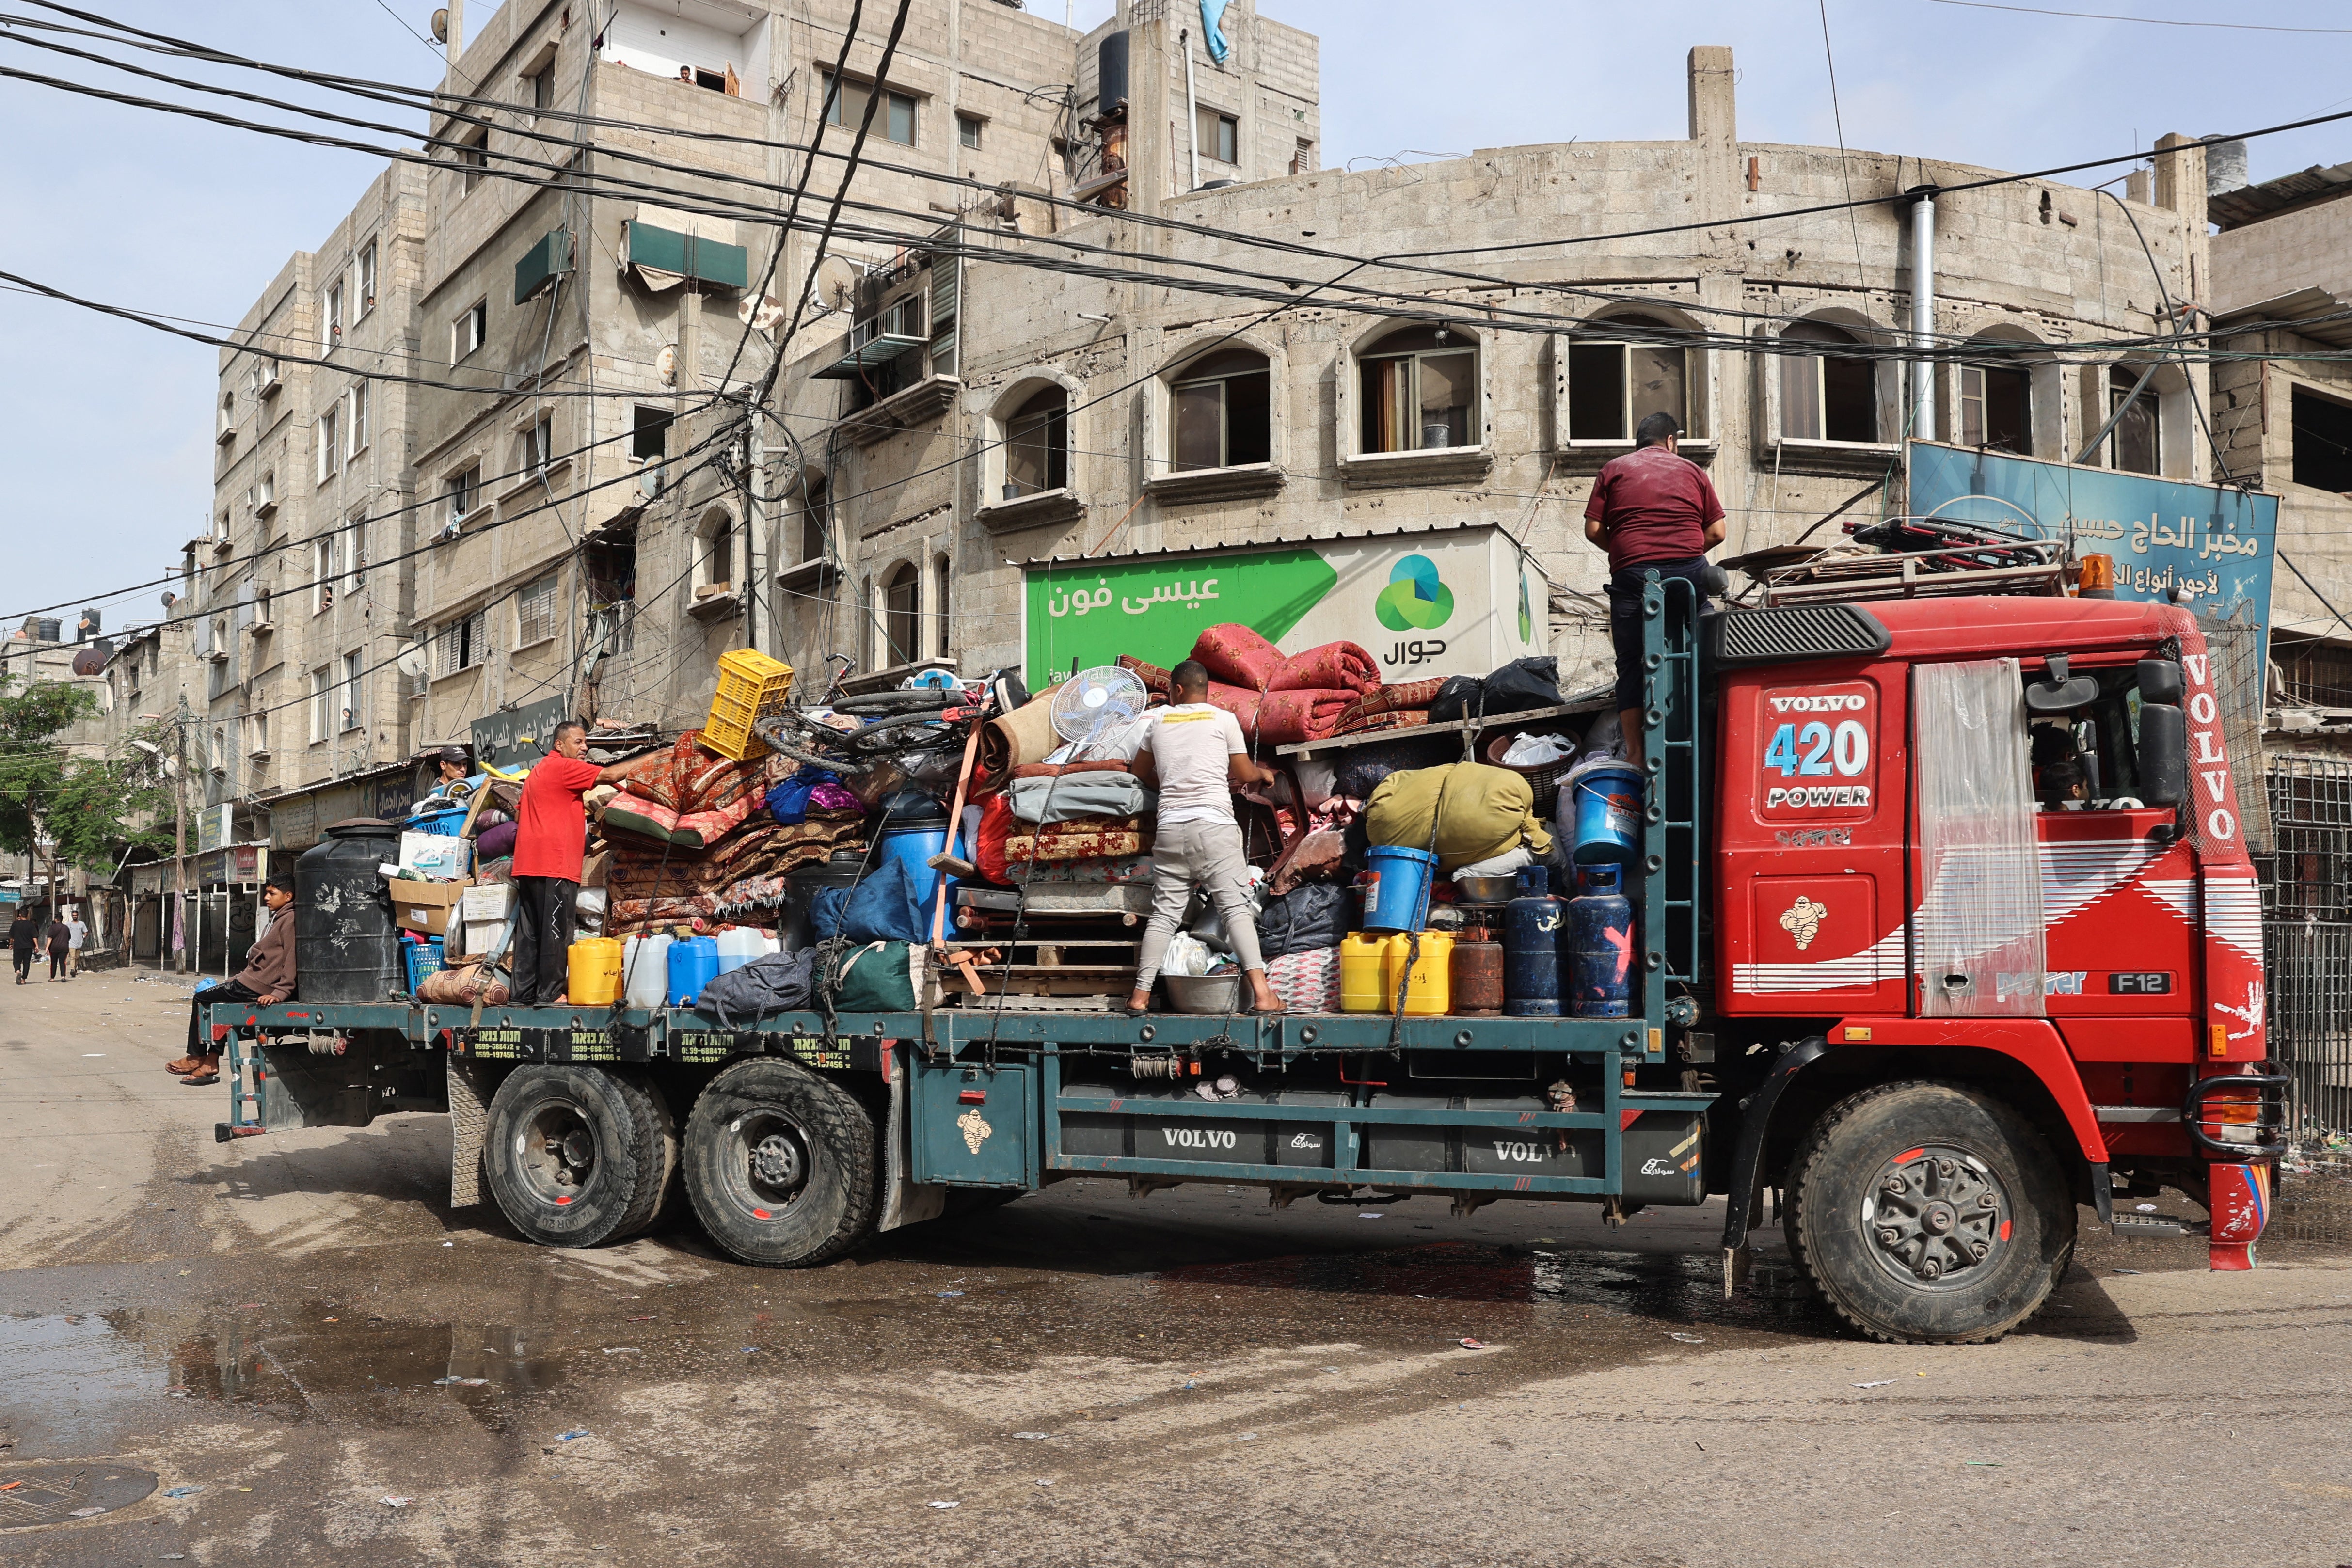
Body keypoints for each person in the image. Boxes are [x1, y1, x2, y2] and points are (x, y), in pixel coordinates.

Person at [1126, 661, 1286, 1018]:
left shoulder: (1158, 721)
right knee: (1235, 910)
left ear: (1177, 690)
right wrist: (1265, 774)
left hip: (1170, 830)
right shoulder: (1222, 719)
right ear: (1203, 690)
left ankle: (1139, 996)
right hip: (1214, 828)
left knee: (1165, 915)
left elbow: (1139, 773)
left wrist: (1169, 785)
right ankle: (1263, 995)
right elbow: (1243, 773)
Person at [1583, 410, 1727, 769]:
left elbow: (1593, 529)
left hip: (1633, 575)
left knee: (1630, 663)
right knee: (1709, 645)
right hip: (1687, 572)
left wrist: (1626, 551)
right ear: (1671, 442)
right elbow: (1718, 533)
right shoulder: (1695, 472)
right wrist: (1682, 556)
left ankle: (1635, 753)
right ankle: (1719, 729)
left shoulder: (1613, 469)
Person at [510, 720, 630, 1006]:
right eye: (578, 742)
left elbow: (518, 817)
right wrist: (658, 757)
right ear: (559, 745)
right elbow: (610, 773)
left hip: (529, 864)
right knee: (556, 931)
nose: (585, 747)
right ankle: (550, 994)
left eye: (585, 742)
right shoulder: (563, 768)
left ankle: (521, 995)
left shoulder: (539, 771)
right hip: (555, 864)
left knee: (530, 934)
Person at [164, 869, 298, 1085]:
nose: (266, 898)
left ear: (288, 896)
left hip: (261, 986)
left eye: (272, 893)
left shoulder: (290, 919)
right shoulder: (279, 917)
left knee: (201, 999)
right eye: (267, 893)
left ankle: (196, 1056)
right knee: (222, 1010)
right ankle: (211, 1061)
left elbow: (292, 956)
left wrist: (281, 992)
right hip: (252, 981)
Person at [7, 909, 32, 985]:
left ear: (20, 915)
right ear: (28, 915)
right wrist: (37, 946)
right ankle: (24, 979)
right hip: (28, 947)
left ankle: (18, 971)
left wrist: (11, 944)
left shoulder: (15, 924)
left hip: (18, 946)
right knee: (26, 963)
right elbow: (35, 936)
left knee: (16, 961)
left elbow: (11, 936)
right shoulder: (31, 924)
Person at [43, 912, 69, 982]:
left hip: (54, 948)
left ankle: (52, 978)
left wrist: (47, 947)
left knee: (54, 963)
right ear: (62, 919)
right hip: (64, 948)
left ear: (56, 919)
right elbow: (69, 938)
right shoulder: (66, 928)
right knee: (63, 962)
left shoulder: (52, 927)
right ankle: (63, 977)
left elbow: (50, 938)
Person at [64, 907, 86, 978]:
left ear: (78, 916)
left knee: (77, 957)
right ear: (72, 916)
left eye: (76, 915)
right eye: (73, 915)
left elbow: (86, 932)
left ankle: (75, 969)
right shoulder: (68, 924)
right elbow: (64, 933)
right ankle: (72, 970)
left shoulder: (82, 924)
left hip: (79, 943)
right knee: (73, 957)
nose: (75, 916)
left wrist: (83, 937)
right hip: (71, 943)